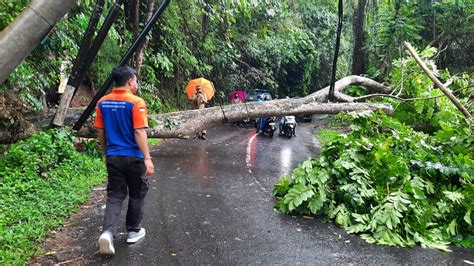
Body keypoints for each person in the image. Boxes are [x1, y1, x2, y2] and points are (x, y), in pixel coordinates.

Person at [94, 66, 155, 256]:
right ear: (130, 81)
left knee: (115, 195)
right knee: (137, 193)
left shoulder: (102, 102)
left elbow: (101, 132)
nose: (136, 84)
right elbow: (139, 131)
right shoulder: (136, 102)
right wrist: (147, 158)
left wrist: (107, 154)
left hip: (113, 156)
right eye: (135, 80)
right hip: (134, 157)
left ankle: (108, 233)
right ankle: (133, 231)